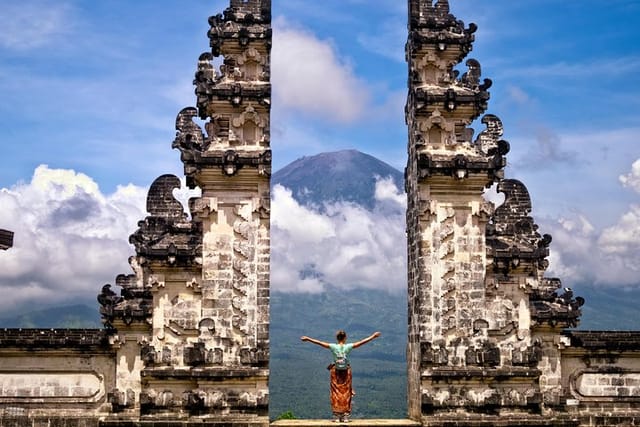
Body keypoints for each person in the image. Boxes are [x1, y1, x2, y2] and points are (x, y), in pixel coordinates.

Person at [301, 330, 381, 423]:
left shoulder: (333, 346)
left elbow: (319, 342)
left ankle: (336, 415)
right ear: (345, 338)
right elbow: (362, 342)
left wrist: (308, 339)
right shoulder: (348, 346)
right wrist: (373, 336)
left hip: (335, 372)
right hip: (346, 371)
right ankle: (345, 416)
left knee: (335, 392)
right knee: (347, 392)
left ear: (337, 338)